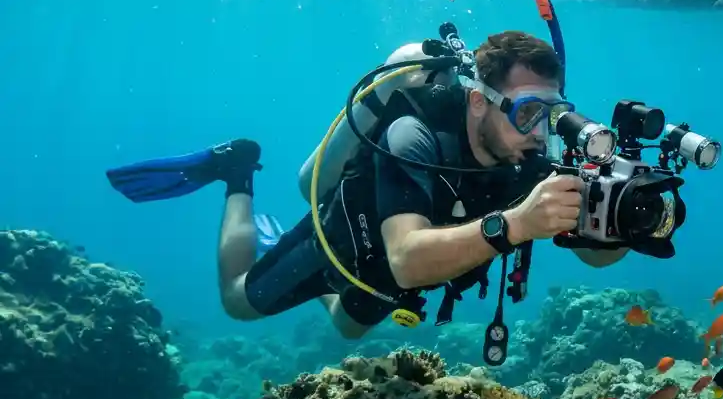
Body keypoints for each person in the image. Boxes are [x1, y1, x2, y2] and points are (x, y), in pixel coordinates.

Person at [107, 31, 626, 339]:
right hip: (342, 247)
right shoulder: (413, 133)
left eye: (552, 113)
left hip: (391, 282)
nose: (540, 132)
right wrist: (518, 223)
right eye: (528, 111)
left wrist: (623, 216)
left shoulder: (529, 156)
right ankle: (237, 172)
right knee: (237, 302)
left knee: (346, 330)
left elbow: (596, 256)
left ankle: (323, 287)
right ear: (477, 100)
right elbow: (406, 257)